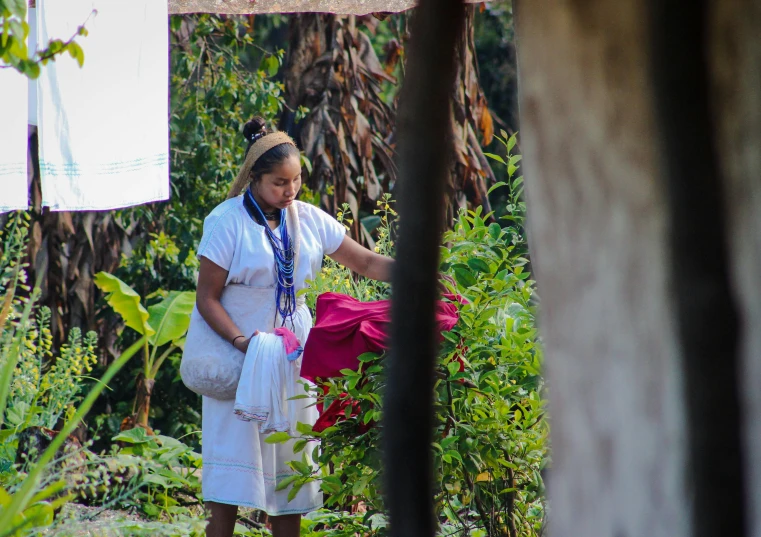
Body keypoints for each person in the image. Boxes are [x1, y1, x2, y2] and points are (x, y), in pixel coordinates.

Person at [193, 117, 393, 537]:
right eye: (279, 183)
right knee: (230, 469)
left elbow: (366, 262)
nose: (291, 191)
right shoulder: (226, 221)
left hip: (294, 355)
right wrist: (243, 343)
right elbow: (207, 297)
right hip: (241, 352)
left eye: (296, 180)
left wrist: (418, 273)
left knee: (292, 464)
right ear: (254, 178)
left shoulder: (308, 219)